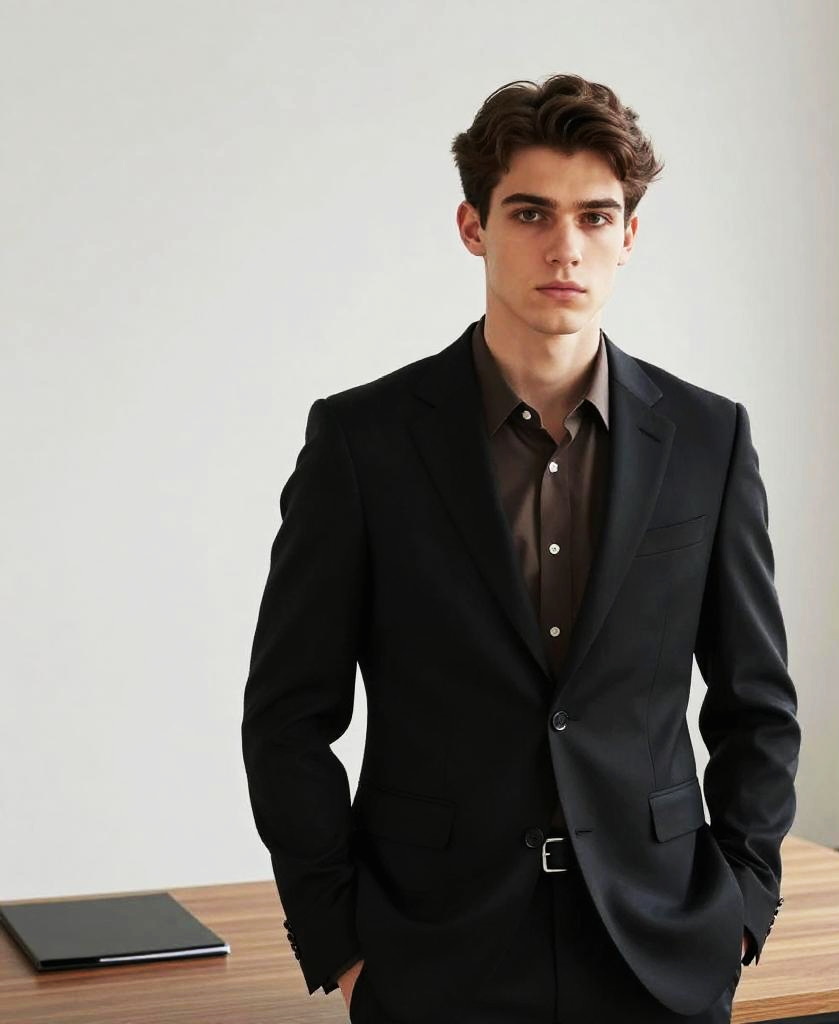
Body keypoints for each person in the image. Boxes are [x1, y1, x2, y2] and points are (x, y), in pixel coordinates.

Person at [241, 72, 800, 1024]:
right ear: (474, 226)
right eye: (531, 212)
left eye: (596, 216)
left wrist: (743, 904)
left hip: (657, 945)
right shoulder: (364, 442)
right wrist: (337, 937)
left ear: (630, 236)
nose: (565, 246)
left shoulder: (709, 439)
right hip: (434, 950)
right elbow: (287, 716)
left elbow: (758, 703)